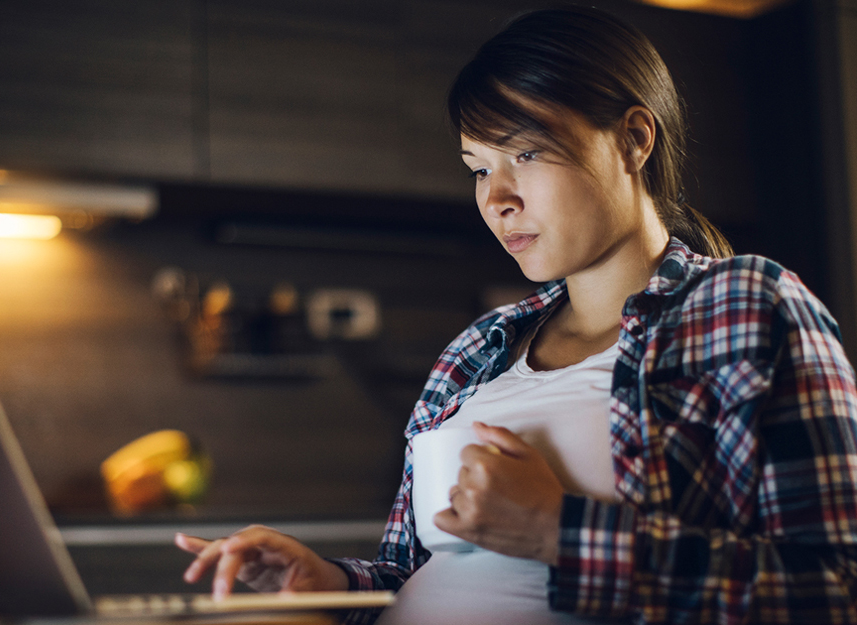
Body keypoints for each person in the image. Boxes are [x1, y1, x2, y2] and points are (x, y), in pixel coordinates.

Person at [176, 6, 857, 624]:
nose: (496, 196)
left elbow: (833, 588)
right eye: (478, 167)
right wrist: (327, 581)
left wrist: (560, 530)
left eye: (526, 153)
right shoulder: (478, 349)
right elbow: (413, 573)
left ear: (633, 140)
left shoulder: (748, 307)